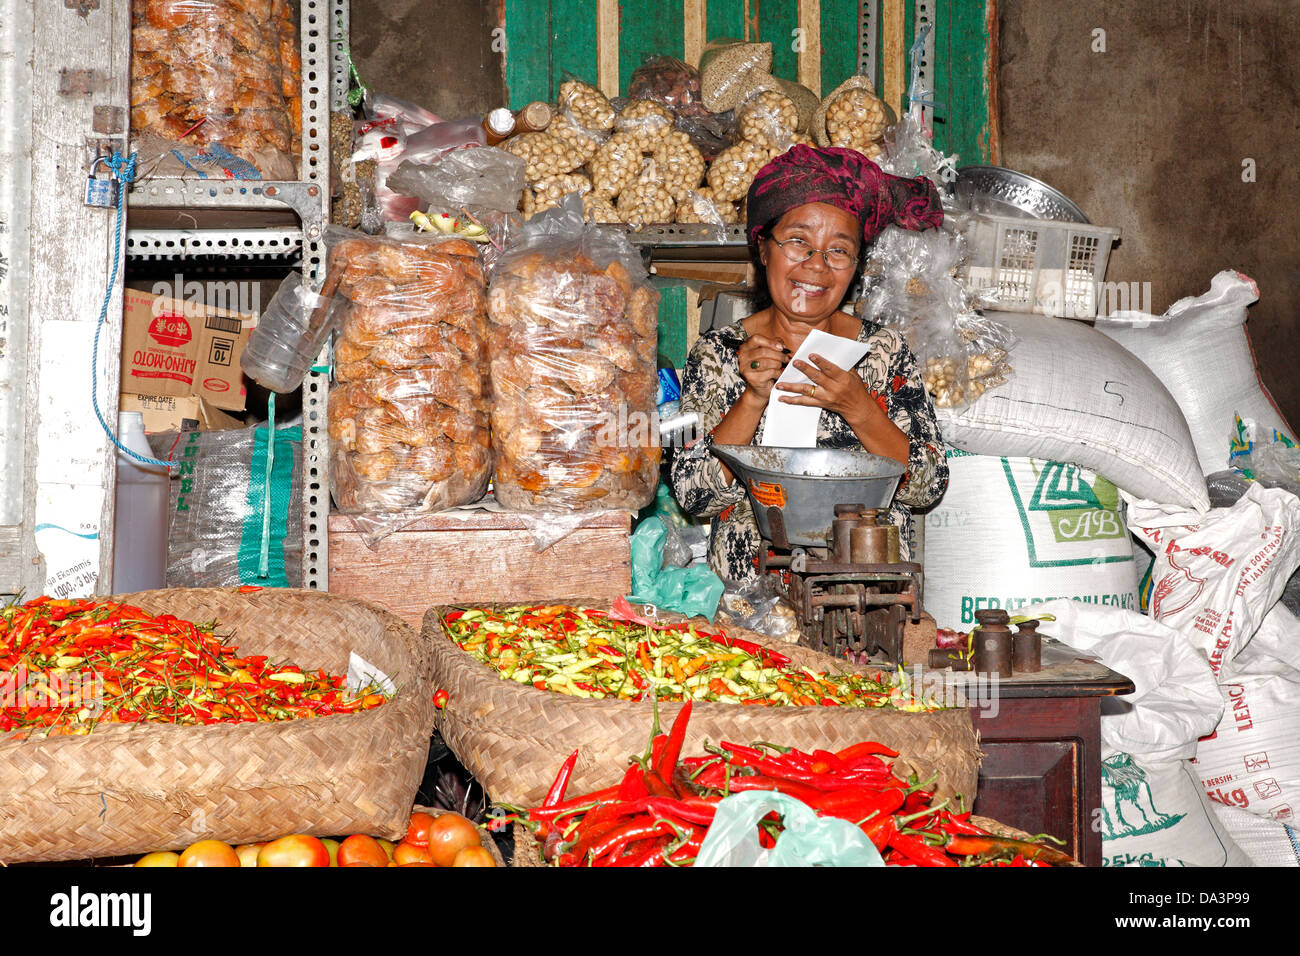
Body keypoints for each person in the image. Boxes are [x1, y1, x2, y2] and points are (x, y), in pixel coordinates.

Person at [670, 144, 949, 586]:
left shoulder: (884, 351)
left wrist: (859, 407)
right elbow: (694, 494)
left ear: (855, 266)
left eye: (839, 251)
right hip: (750, 604)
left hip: (868, 594)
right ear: (763, 250)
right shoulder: (718, 353)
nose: (817, 265)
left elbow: (926, 487)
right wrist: (753, 397)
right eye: (799, 242)